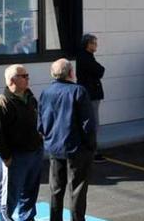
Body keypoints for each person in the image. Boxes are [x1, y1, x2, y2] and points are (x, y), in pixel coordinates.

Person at [38, 59, 96, 221]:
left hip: (54, 148)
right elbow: (88, 124)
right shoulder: (78, 91)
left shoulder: (46, 92)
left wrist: (48, 138)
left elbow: (41, 121)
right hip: (76, 149)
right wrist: (91, 146)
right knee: (77, 190)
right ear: (70, 73)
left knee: (56, 190)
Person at [0, 65, 44, 221]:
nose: (27, 78)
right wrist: (6, 157)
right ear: (13, 80)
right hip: (15, 157)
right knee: (10, 195)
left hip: (34, 152)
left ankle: (27, 218)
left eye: (27, 75)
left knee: (30, 192)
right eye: (24, 76)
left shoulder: (30, 98)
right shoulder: (2, 102)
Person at [76, 33, 106, 162]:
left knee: (92, 122)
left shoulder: (87, 57)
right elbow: (100, 70)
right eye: (94, 43)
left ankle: (90, 149)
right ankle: (91, 151)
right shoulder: (85, 57)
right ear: (88, 44)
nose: (96, 45)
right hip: (90, 94)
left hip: (91, 93)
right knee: (92, 123)